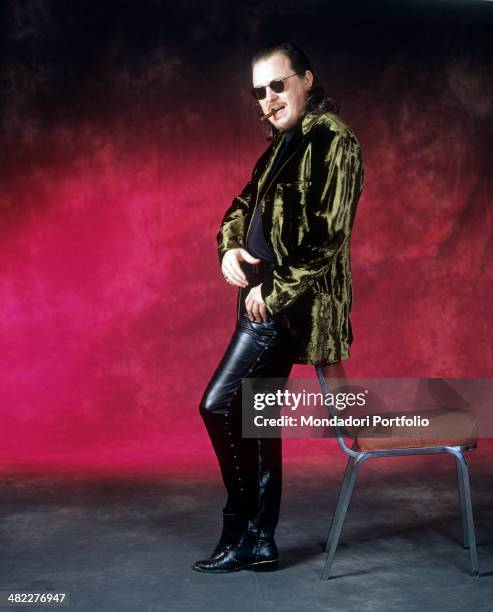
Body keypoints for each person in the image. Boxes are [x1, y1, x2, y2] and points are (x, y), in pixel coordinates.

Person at [192, 41, 364, 573]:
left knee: (218, 406)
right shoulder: (281, 146)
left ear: (307, 80)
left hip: (286, 308)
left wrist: (274, 290)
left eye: (278, 84)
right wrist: (229, 248)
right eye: (258, 91)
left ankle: (237, 526)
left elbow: (328, 237)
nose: (267, 98)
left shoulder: (333, 140)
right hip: (259, 299)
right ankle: (261, 540)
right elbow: (240, 208)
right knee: (253, 419)